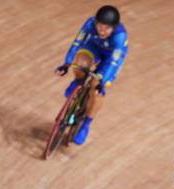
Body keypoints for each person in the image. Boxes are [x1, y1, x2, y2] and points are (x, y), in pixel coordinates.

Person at [54, 5, 128, 145]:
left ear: (114, 28)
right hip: (93, 48)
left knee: (96, 90)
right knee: (80, 63)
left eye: (107, 28)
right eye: (100, 26)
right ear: (96, 22)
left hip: (111, 59)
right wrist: (67, 63)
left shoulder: (119, 37)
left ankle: (85, 125)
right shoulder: (89, 23)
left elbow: (113, 62)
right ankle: (77, 82)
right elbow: (77, 43)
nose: (102, 30)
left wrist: (102, 80)